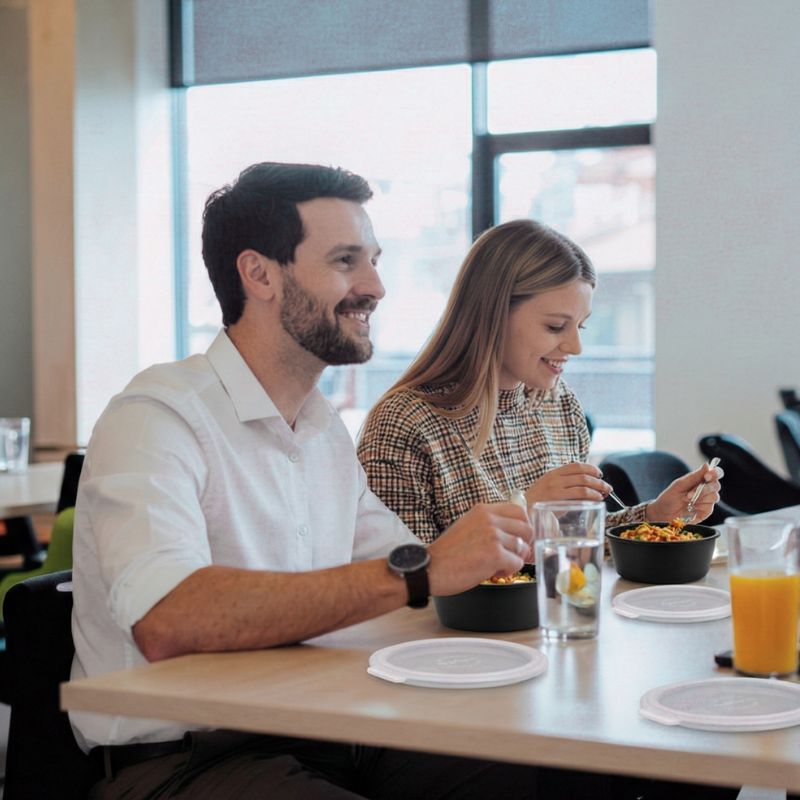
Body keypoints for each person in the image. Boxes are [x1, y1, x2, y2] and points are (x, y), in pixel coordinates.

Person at [70, 164, 735, 800]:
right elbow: (169, 619)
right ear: (258, 274)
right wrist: (426, 569)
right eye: (344, 261)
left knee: (568, 777)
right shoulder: (158, 416)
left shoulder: (321, 432)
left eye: (375, 261)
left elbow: (415, 570)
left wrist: (516, 543)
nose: (376, 287)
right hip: (187, 763)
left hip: (334, 726)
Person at [357, 219, 722, 544]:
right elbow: (404, 581)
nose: (576, 347)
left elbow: (574, 543)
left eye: (581, 326)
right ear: (493, 313)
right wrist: (524, 511)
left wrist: (654, 517)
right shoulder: (403, 424)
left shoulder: (558, 403)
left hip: (554, 617)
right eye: (554, 326)